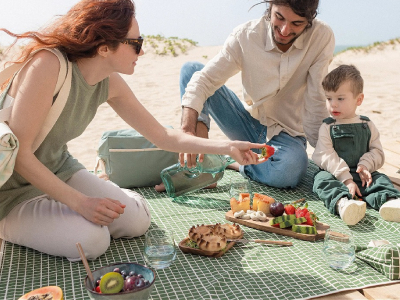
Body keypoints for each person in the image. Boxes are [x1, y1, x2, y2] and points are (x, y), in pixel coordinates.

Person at [0, 0, 269, 261]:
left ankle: (72, 204)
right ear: (105, 47)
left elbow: (162, 136)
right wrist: (80, 203)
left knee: (135, 222)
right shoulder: (49, 65)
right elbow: (20, 155)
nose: (142, 52)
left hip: (60, 170)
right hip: (11, 191)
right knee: (93, 242)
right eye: (136, 44)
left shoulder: (108, 81)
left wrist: (227, 147)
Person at [178, 0, 335, 189]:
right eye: (279, 17)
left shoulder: (321, 37)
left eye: (296, 23)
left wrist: (328, 156)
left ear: (310, 20)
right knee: (191, 70)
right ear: (270, 7)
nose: (285, 30)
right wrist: (189, 131)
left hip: (288, 135)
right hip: (245, 125)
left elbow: (316, 102)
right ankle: (203, 153)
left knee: (289, 170)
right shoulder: (245, 35)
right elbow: (204, 81)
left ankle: (231, 161)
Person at [312, 65, 400, 225]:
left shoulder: (367, 124)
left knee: (381, 179)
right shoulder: (327, 126)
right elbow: (325, 155)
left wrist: (366, 165)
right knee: (321, 180)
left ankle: (390, 202)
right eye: (329, 98)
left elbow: (377, 152)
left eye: (340, 98)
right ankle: (344, 204)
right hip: (335, 174)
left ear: (358, 99)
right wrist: (346, 180)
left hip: (363, 174)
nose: (333, 105)